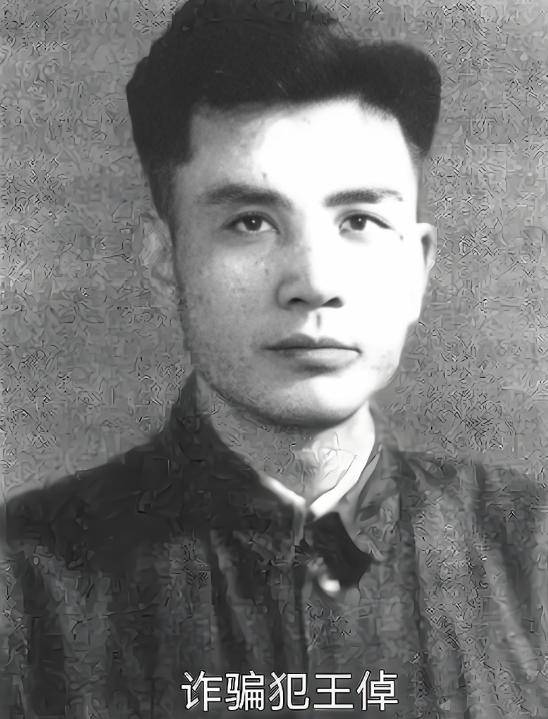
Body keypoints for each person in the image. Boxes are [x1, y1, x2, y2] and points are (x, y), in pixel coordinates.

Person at [2, 0, 547, 717]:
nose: (313, 283)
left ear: (418, 266)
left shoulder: (531, 554)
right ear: (165, 259)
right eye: (250, 222)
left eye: (360, 220)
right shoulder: (25, 585)